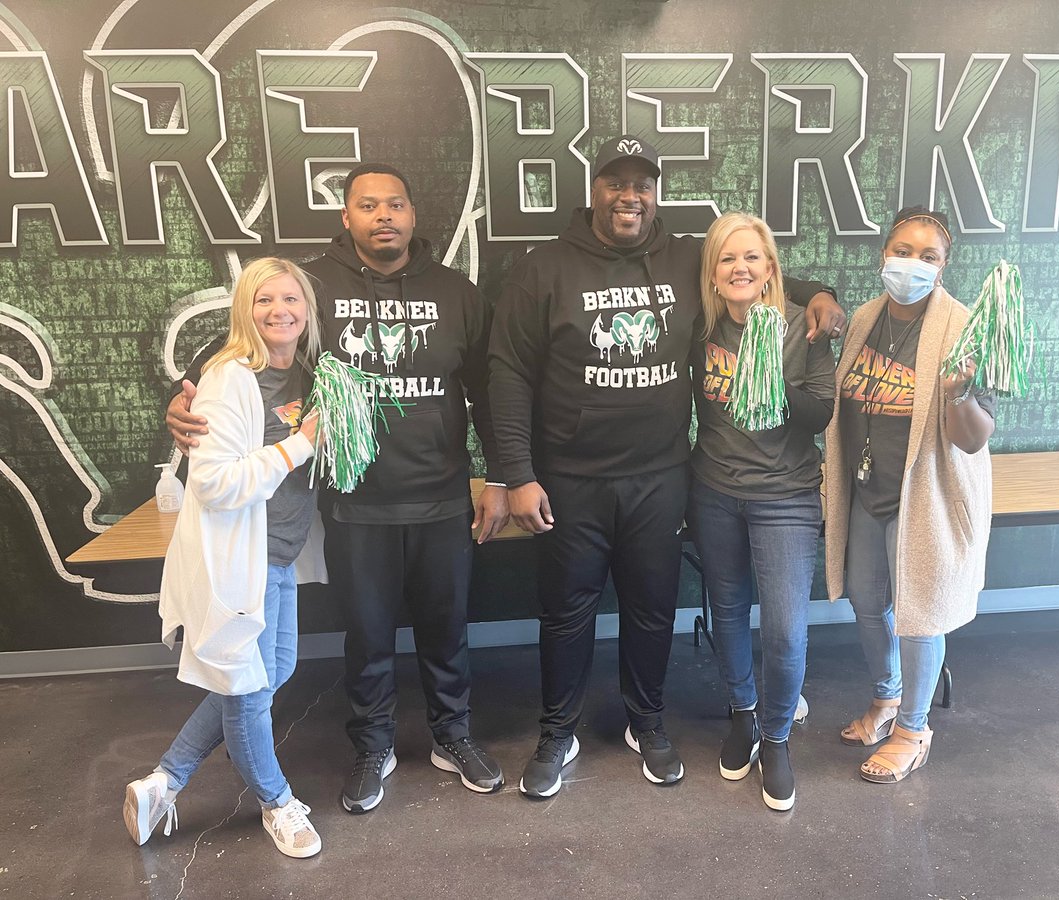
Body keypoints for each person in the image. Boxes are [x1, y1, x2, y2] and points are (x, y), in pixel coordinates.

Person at [489, 136, 845, 799]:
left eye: (643, 183)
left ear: (657, 191)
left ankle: (647, 721)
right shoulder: (543, 269)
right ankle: (557, 731)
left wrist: (818, 292)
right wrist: (515, 471)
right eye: (616, 183)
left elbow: (750, 275)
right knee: (566, 612)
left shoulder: (684, 258)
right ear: (594, 189)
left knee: (653, 609)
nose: (631, 196)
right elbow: (506, 372)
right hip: (570, 477)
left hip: (661, 475)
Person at [165, 164, 510, 813]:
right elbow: (231, 349)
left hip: (441, 494)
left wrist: (494, 474)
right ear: (346, 218)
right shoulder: (311, 286)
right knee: (369, 635)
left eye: (396, 204)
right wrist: (179, 403)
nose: (385, 216)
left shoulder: (458, 293)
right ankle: (372, 745)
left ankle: (452, 736)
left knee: (447, 630)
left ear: (412, 216)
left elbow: (488, 391)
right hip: (355, 503)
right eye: (369, 205)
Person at [124, 257, 324, 857]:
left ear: (307, 309)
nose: (279, 310)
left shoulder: (312, 374)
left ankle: (164, 780)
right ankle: (277, 802)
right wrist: (300, 445)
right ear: (244, 310)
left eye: (290, 298)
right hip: (243, 563)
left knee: (270, 672)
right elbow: (212, 483)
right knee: (251, 689)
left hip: (281, 553)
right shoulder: (229, 376)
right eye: (263, 300)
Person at [824, 206, 995, 784]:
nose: (912, 264)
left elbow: (974, 440)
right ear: (883, 256)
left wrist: (956, 395)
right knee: (868, 604)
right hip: (867, 492)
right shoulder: (868, 318)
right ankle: (887, 697)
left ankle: (914, 729)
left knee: (920, 615)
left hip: (925, 498)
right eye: (903, 251)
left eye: (929, 256)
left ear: (944, 268)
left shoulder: (962, 330)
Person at [686, 213, 836, 811]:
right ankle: (743, 715)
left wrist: (772, 376)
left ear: (771, 269)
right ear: (713, 275)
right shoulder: (702, 329)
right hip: (714, 490)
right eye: (727, 259)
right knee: (726, 611)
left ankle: (777, 737)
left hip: (786, 498)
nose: (740, 268)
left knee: (783, 628)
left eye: (751, 258)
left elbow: (821, 414)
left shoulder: (802, 329)